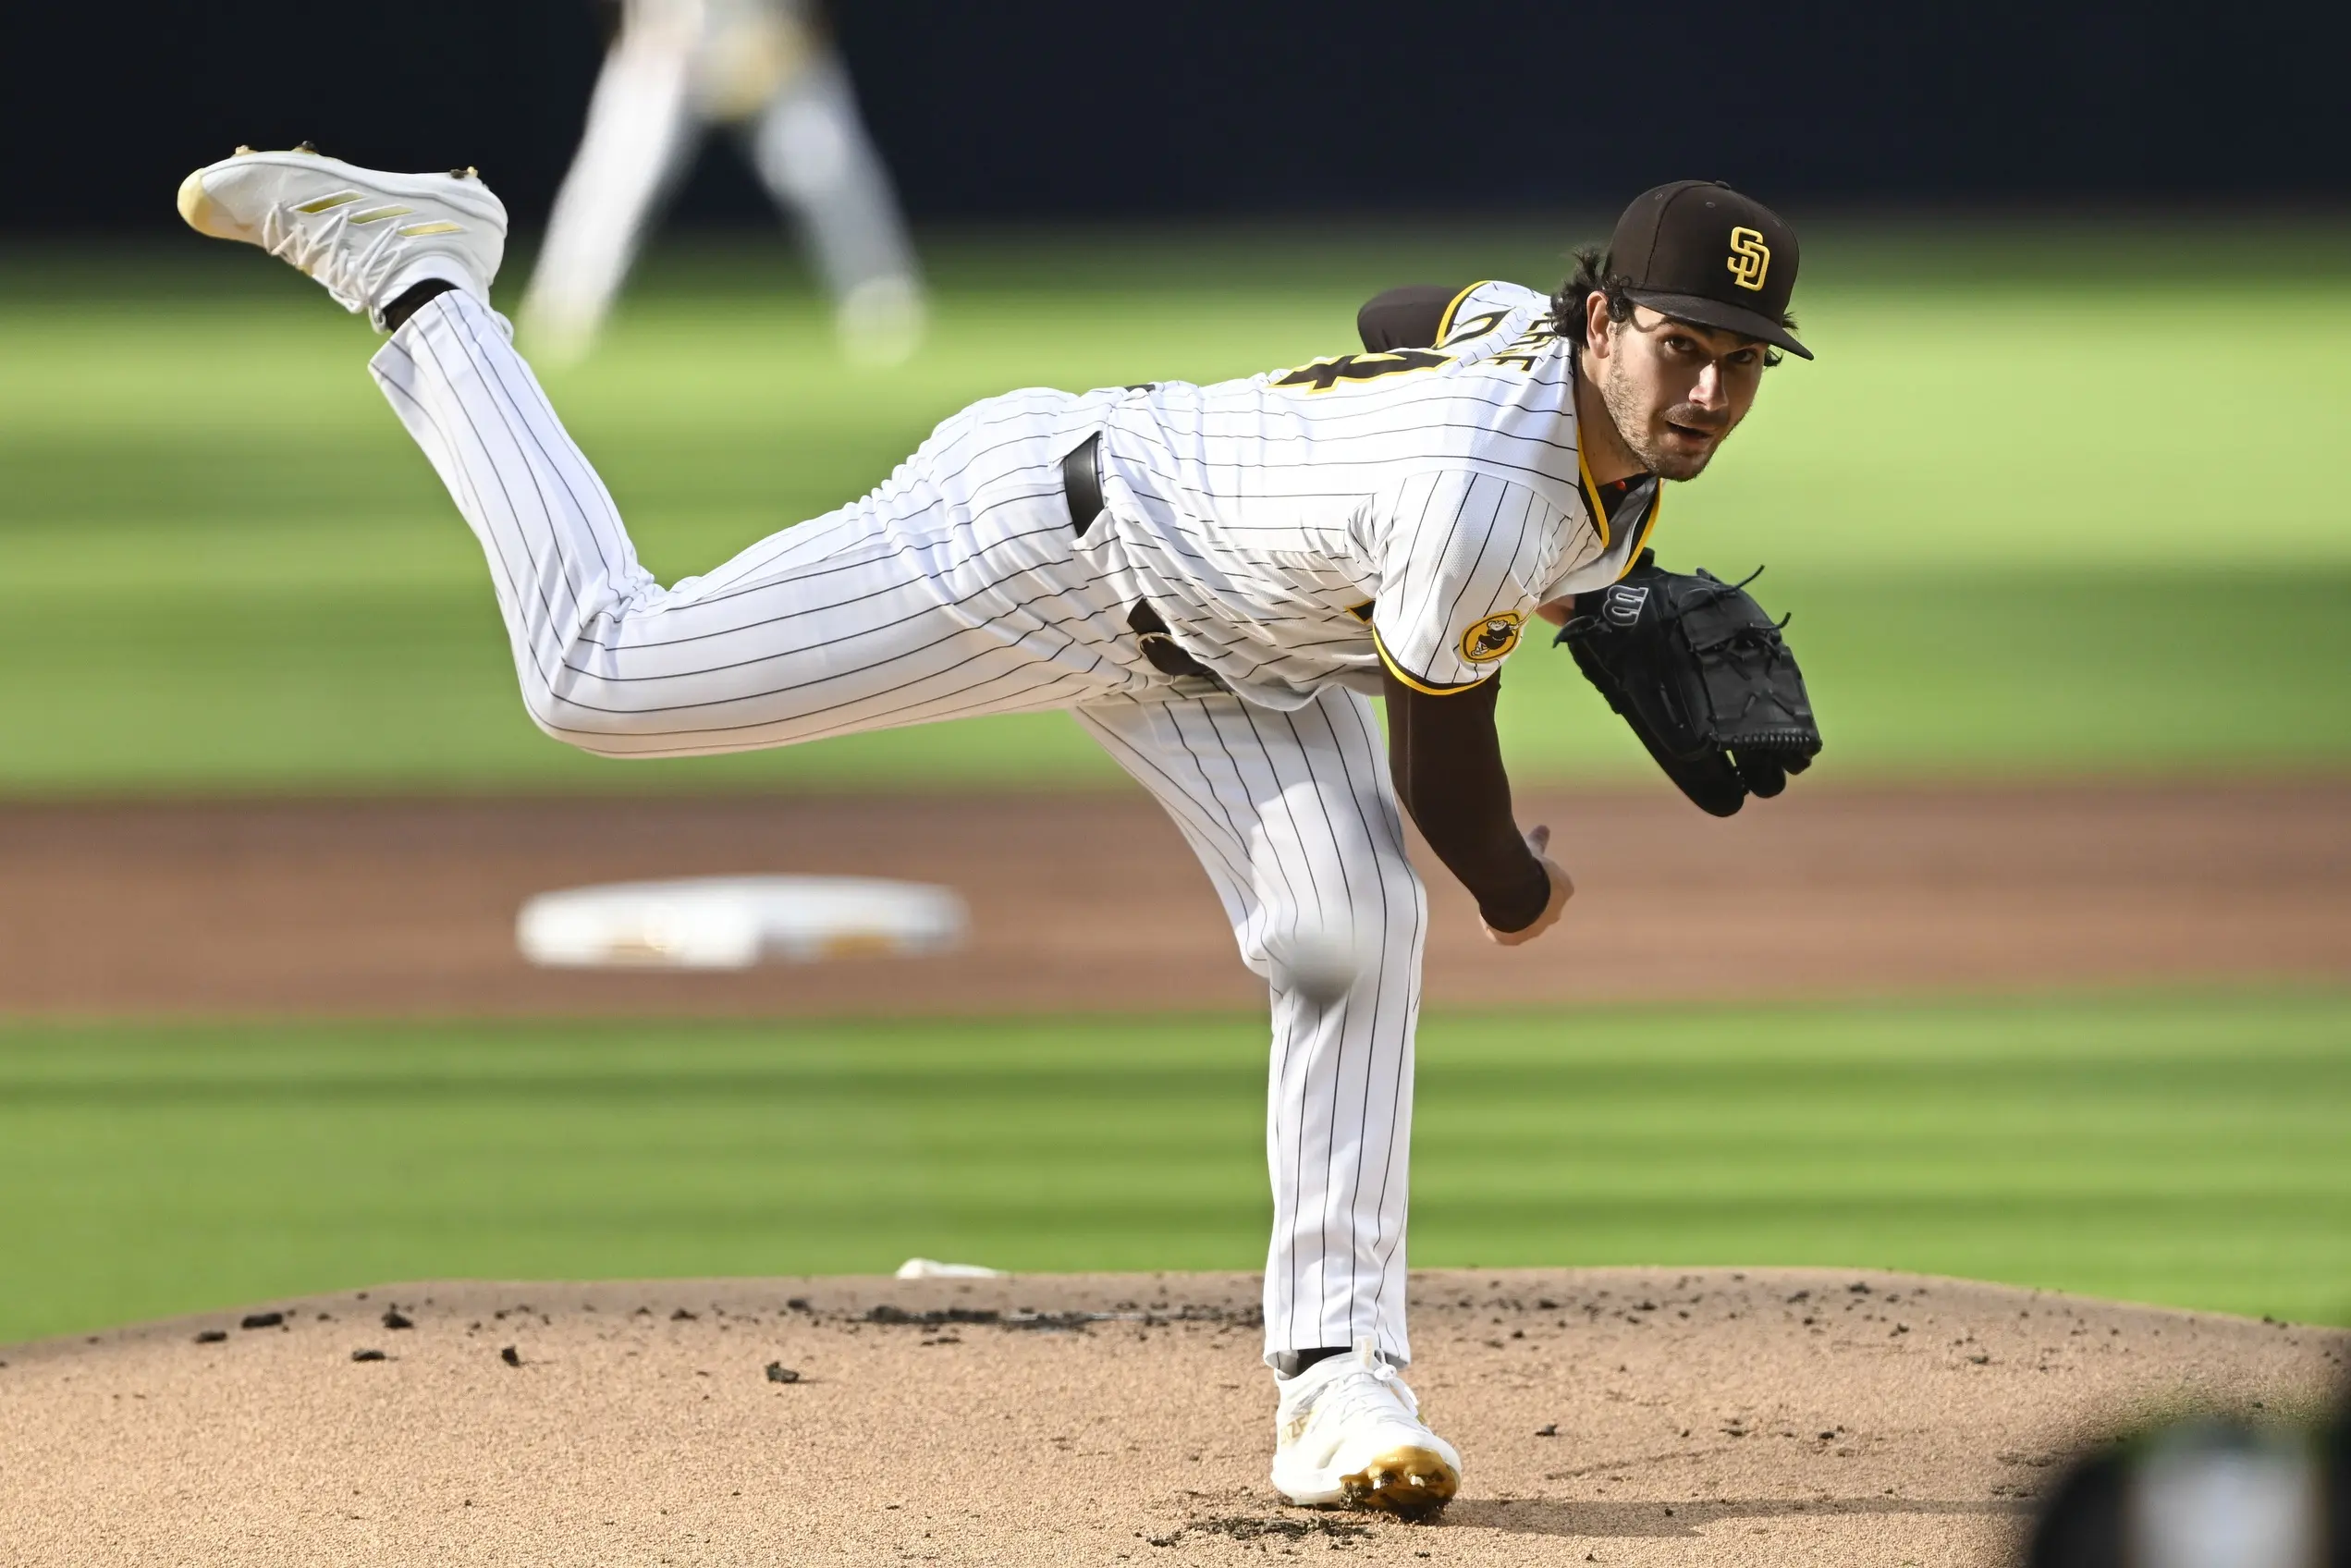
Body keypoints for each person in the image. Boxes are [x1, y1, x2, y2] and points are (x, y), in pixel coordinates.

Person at [174, 146, 1813, 1519]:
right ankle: (431, 283)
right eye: (1683, 344)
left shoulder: (1526, 337)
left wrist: (1479, 533)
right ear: (1604, 322)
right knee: (596, 673)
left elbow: (1404, 314)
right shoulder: (1483, 493)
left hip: (1235, 648)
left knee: (1348, 923)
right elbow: (1448, 781)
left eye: (1743, 359)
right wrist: (1526, 894)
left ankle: (1339, 1385)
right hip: (1038, 543)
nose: (1712, 389)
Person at [520, 0, 925, 367]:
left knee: (825, 165)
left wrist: (805, 30)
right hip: (669, 28)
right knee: (617, 175)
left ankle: (882, 304)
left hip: (769, 27)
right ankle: (563, 314)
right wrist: (632, 24)